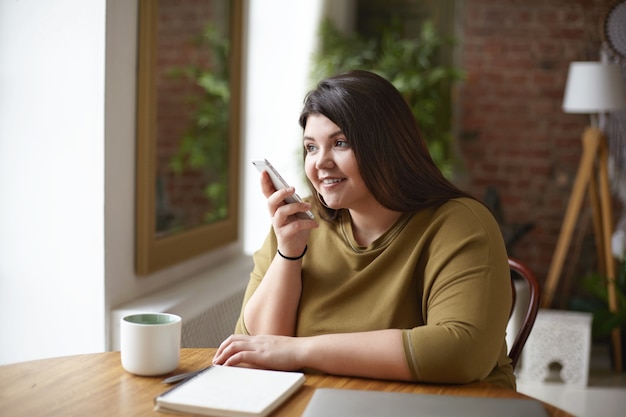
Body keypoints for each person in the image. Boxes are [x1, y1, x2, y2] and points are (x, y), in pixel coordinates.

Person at [213, 70, 514, 389]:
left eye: (340, 143)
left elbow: (460, 352)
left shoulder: (459, 223)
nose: (320, 163)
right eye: (311, 147)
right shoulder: (297, 221)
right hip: (321, 405)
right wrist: (289, 254)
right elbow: (255, 351)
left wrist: (301, 350)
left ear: (387, 147)